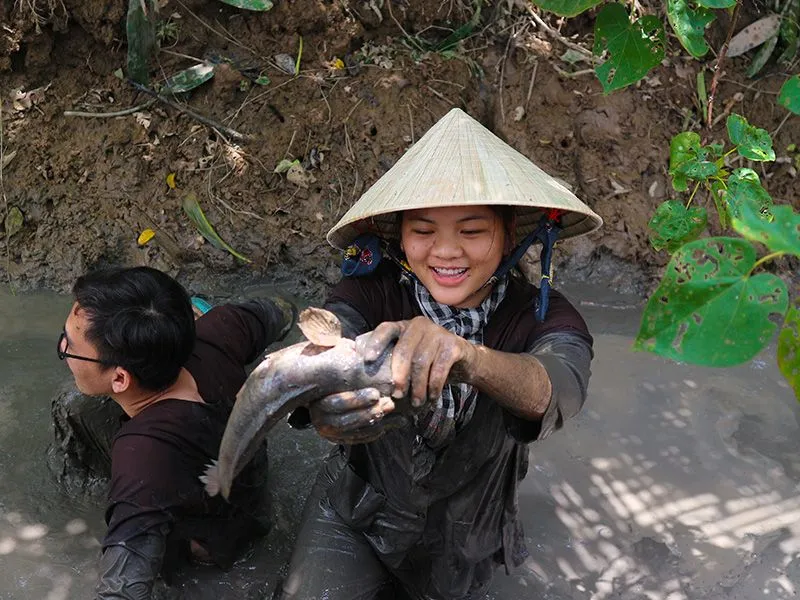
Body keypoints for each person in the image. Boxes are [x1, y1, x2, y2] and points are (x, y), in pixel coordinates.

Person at [279, 108, 603, 600]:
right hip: (354, 509)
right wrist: (317, 389)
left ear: (509, 236)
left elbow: (558, 386)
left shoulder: (542, 317)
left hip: (465, 534)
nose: (446, 251)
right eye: (424, 230)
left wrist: (470, 358)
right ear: (400, 237)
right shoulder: (370, 293)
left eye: (472, 231)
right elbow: (327, 340)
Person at [56, 266, 296, 599]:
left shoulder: (142, 456)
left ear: (120, 379)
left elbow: (122, 591)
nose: (64, 347)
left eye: (67, 347)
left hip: (211, 550)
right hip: (247, 488)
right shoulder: (219, 330)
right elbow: (282, 310)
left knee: (73, 409)